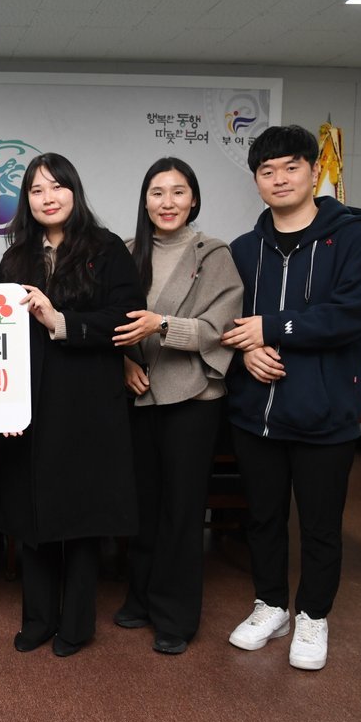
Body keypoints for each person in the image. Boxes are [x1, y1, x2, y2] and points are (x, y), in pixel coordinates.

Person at [220, 124, 361, 671]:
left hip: (325, 414)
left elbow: (350, 315)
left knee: (319, 525)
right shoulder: (244, 250)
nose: (280, 179)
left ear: (315, 172)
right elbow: (228, 320)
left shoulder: (353, 239)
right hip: (256, 413)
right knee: (263, 519)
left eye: (292, 167)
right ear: (256, 181)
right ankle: (271, 605)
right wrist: (247, 350)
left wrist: (272, 328)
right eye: (267, 171)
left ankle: (313, 614)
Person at [0, 152, 145, 657]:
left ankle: (77, 625)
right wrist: (4, 403)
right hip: (31, 403)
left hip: (87, 404)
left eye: (57, 187)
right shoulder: (15, 258)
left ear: (74, 192)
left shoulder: (107, 249)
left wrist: (60, 320)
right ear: (26, 201)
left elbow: (126, 318)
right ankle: (37, 620)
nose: (48, 197)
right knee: (33, 515)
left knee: (81, 517)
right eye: (36, 190)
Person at [111, 157, 243, 655]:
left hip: (193, 395)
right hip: (139, 392)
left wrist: (162, 325)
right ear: (145, 201)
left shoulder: (214, 254)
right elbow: (107, 322)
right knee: (142, 503)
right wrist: (124, 362)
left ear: (194, 200)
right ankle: (141, 597)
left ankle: (175, 615)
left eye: (178, 192)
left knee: (183, 508)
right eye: (157, 193)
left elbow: (221, 328)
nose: (167, 202)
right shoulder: (126, 253)